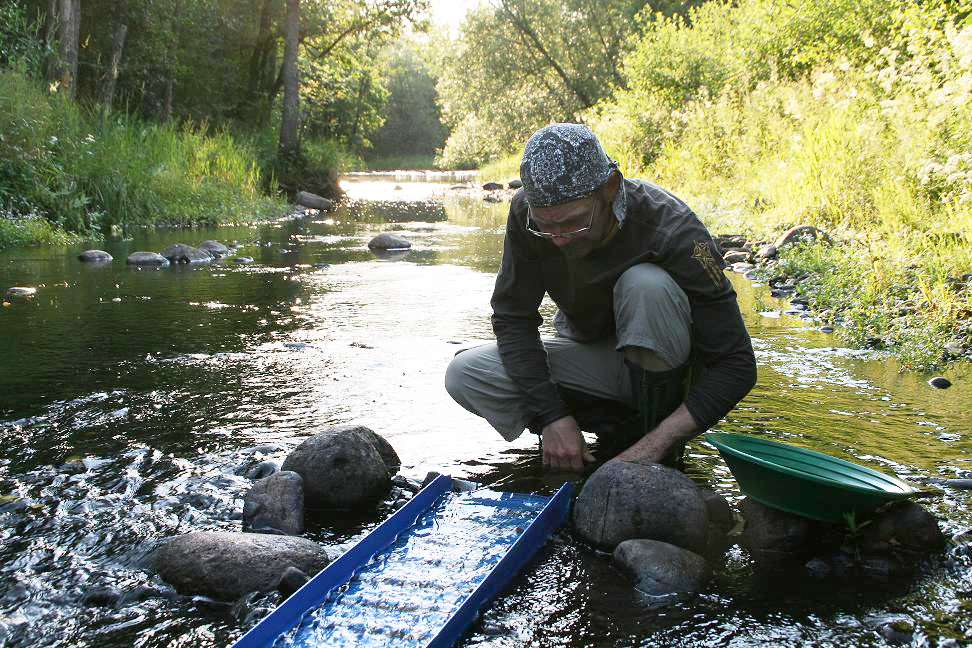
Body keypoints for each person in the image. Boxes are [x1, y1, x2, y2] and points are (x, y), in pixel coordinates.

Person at [445, 123, 756, 471]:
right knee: (465, 373)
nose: (558, 239)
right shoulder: (524, 214)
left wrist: (657, 444)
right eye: (545, 226)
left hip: (669, 372)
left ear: (609, 189)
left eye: (572, 223)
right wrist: (552, 416)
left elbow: (737, 364)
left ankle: (653, 439)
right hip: (596, 359)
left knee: (646, 285)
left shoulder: (673, 230)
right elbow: (513, 318)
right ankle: (582, 438)